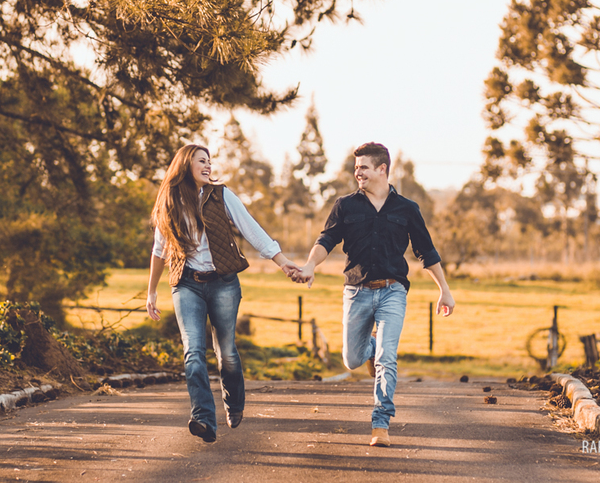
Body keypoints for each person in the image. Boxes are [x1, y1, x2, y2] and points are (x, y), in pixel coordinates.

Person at [295, 142, 455, 448]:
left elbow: (427, 252)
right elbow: (326, 239)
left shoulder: (407, 209)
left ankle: (380, 423)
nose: (358, 173)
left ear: (382, 169)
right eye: (356, 168)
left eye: (364, 167)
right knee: (352, 359)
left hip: (393, 291)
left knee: (387, 358)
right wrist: (310, 265)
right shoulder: (345, 206)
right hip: (356, 291)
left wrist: (444, 290)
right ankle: (368, 349)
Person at [145, 143, 302, 443]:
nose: (208, 166)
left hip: (223, 282)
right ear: (185, 165)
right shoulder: (169, 201)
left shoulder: (221, 195)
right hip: (186, 283)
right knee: (193, 352)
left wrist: (282, 263)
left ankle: (234, 402)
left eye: (210, 162)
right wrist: (151, 293)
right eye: (201, 161)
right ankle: (203, 418)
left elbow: (252, 230)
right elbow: (158, 250)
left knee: (226, 353)